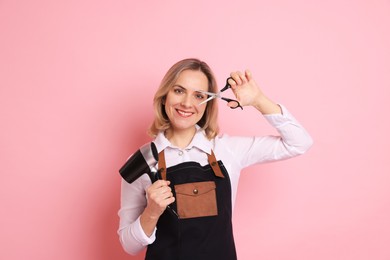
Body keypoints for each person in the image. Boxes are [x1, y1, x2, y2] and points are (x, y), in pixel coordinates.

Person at [117, 58, 313, 260]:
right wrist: (151, 212)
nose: (187, 103)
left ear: (208, 102)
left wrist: (258, 100)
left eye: (198, 95)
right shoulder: (142, 161)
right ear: (164, 96)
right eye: (178, 91)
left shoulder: (227, 149)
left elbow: (299, 143)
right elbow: (129, 246)